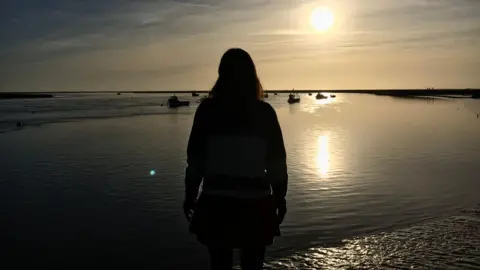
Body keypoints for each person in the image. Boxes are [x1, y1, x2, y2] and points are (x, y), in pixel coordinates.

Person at [183, 48, 288, 270]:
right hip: (256, 206)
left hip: (217, 204)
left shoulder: (207, 111)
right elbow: (277, 164)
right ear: (253, 75)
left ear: (222, 75)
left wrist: (190, 194)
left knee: (220, 264)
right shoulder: (265, 113)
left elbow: (196, 162)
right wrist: (280, 198)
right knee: (253, 265)